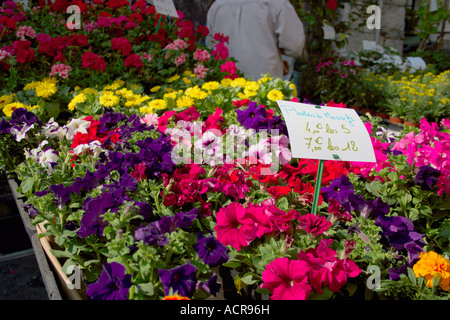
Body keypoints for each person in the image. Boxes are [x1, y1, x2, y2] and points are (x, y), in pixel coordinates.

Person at [206, 0, 305, 81]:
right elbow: (294, 46)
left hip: (227, 84)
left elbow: (210, 47)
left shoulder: (217, 6)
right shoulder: (276, 3)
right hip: (265, 83)